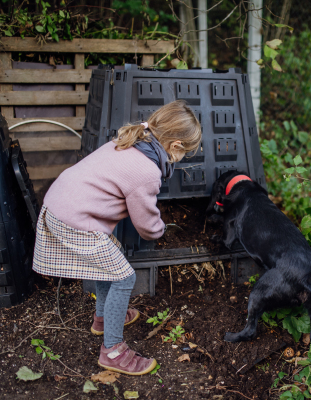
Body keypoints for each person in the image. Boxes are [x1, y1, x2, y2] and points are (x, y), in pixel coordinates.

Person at [32, 100, 201, 375]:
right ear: (176, 146)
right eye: (186, 153)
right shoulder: (146, 170)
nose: (182, 159)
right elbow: (146, 225)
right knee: (124, 276)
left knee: (110, 258)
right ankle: (112, 351)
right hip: (73, 219)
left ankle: (103, 317)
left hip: (63, 204)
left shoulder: (134, 140)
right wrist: (162, 231)